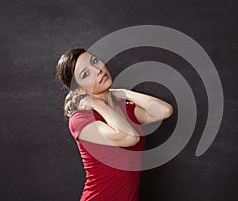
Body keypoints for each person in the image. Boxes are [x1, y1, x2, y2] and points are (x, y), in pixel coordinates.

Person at [55, 48, 173, 201]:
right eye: (86, 74)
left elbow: (165, 110)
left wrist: (124, 93)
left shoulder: (124, 109)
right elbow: (130, 137)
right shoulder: (80, 119)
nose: (97, 70)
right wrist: (97, 104)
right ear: (79, 90)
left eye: (95, 61)